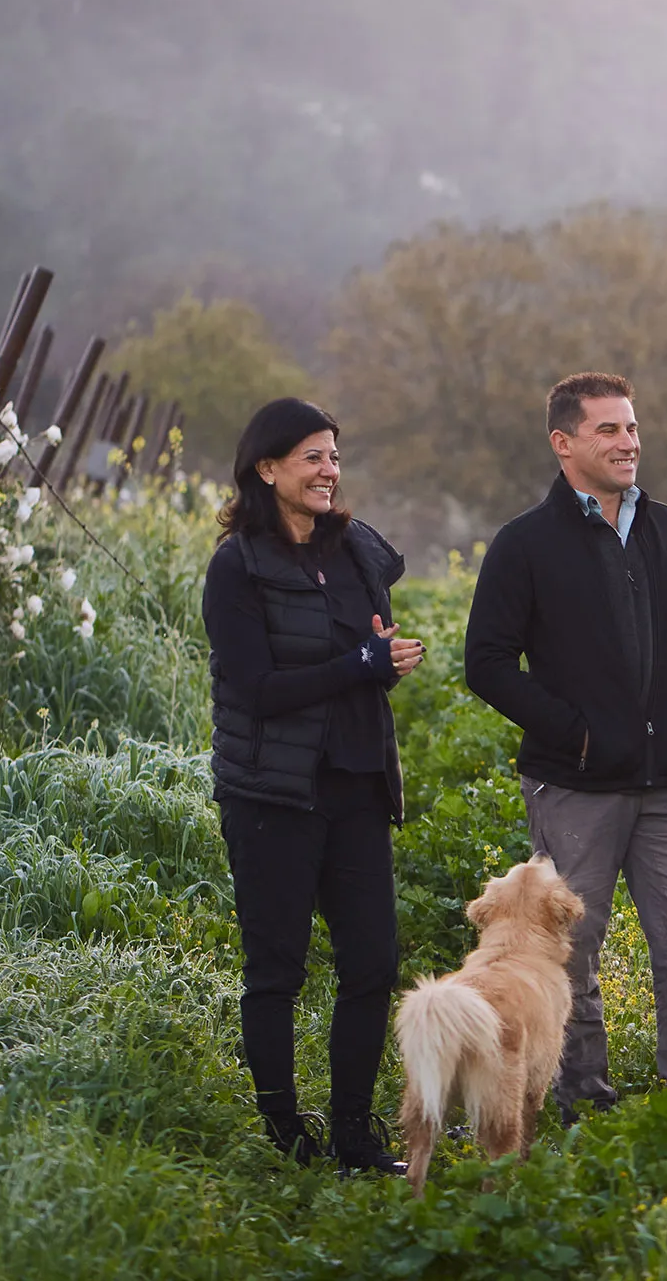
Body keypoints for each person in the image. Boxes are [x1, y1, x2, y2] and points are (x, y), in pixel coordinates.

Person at [463, 371, 667, 1116]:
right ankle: (581, 1100)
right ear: (564, 442)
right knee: (569, 954)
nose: (628, 442)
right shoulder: (525, 544)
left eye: (632, 428)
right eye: (608, 430)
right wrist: (575, 733)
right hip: (575, 787)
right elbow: (485, 663)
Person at [202, 397, 425, 1175]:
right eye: (313, 457)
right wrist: (355, 668)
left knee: (371, 964)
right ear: (267, 469)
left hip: (357, 783)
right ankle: (284, 1135)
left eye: (334, 455)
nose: (330, 470)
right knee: (278, 969)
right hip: (273, 796)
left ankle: (355, 1137)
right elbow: (257, 687)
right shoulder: (237, 566)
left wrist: (382, 664)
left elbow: (363, 659)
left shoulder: (357, 552)